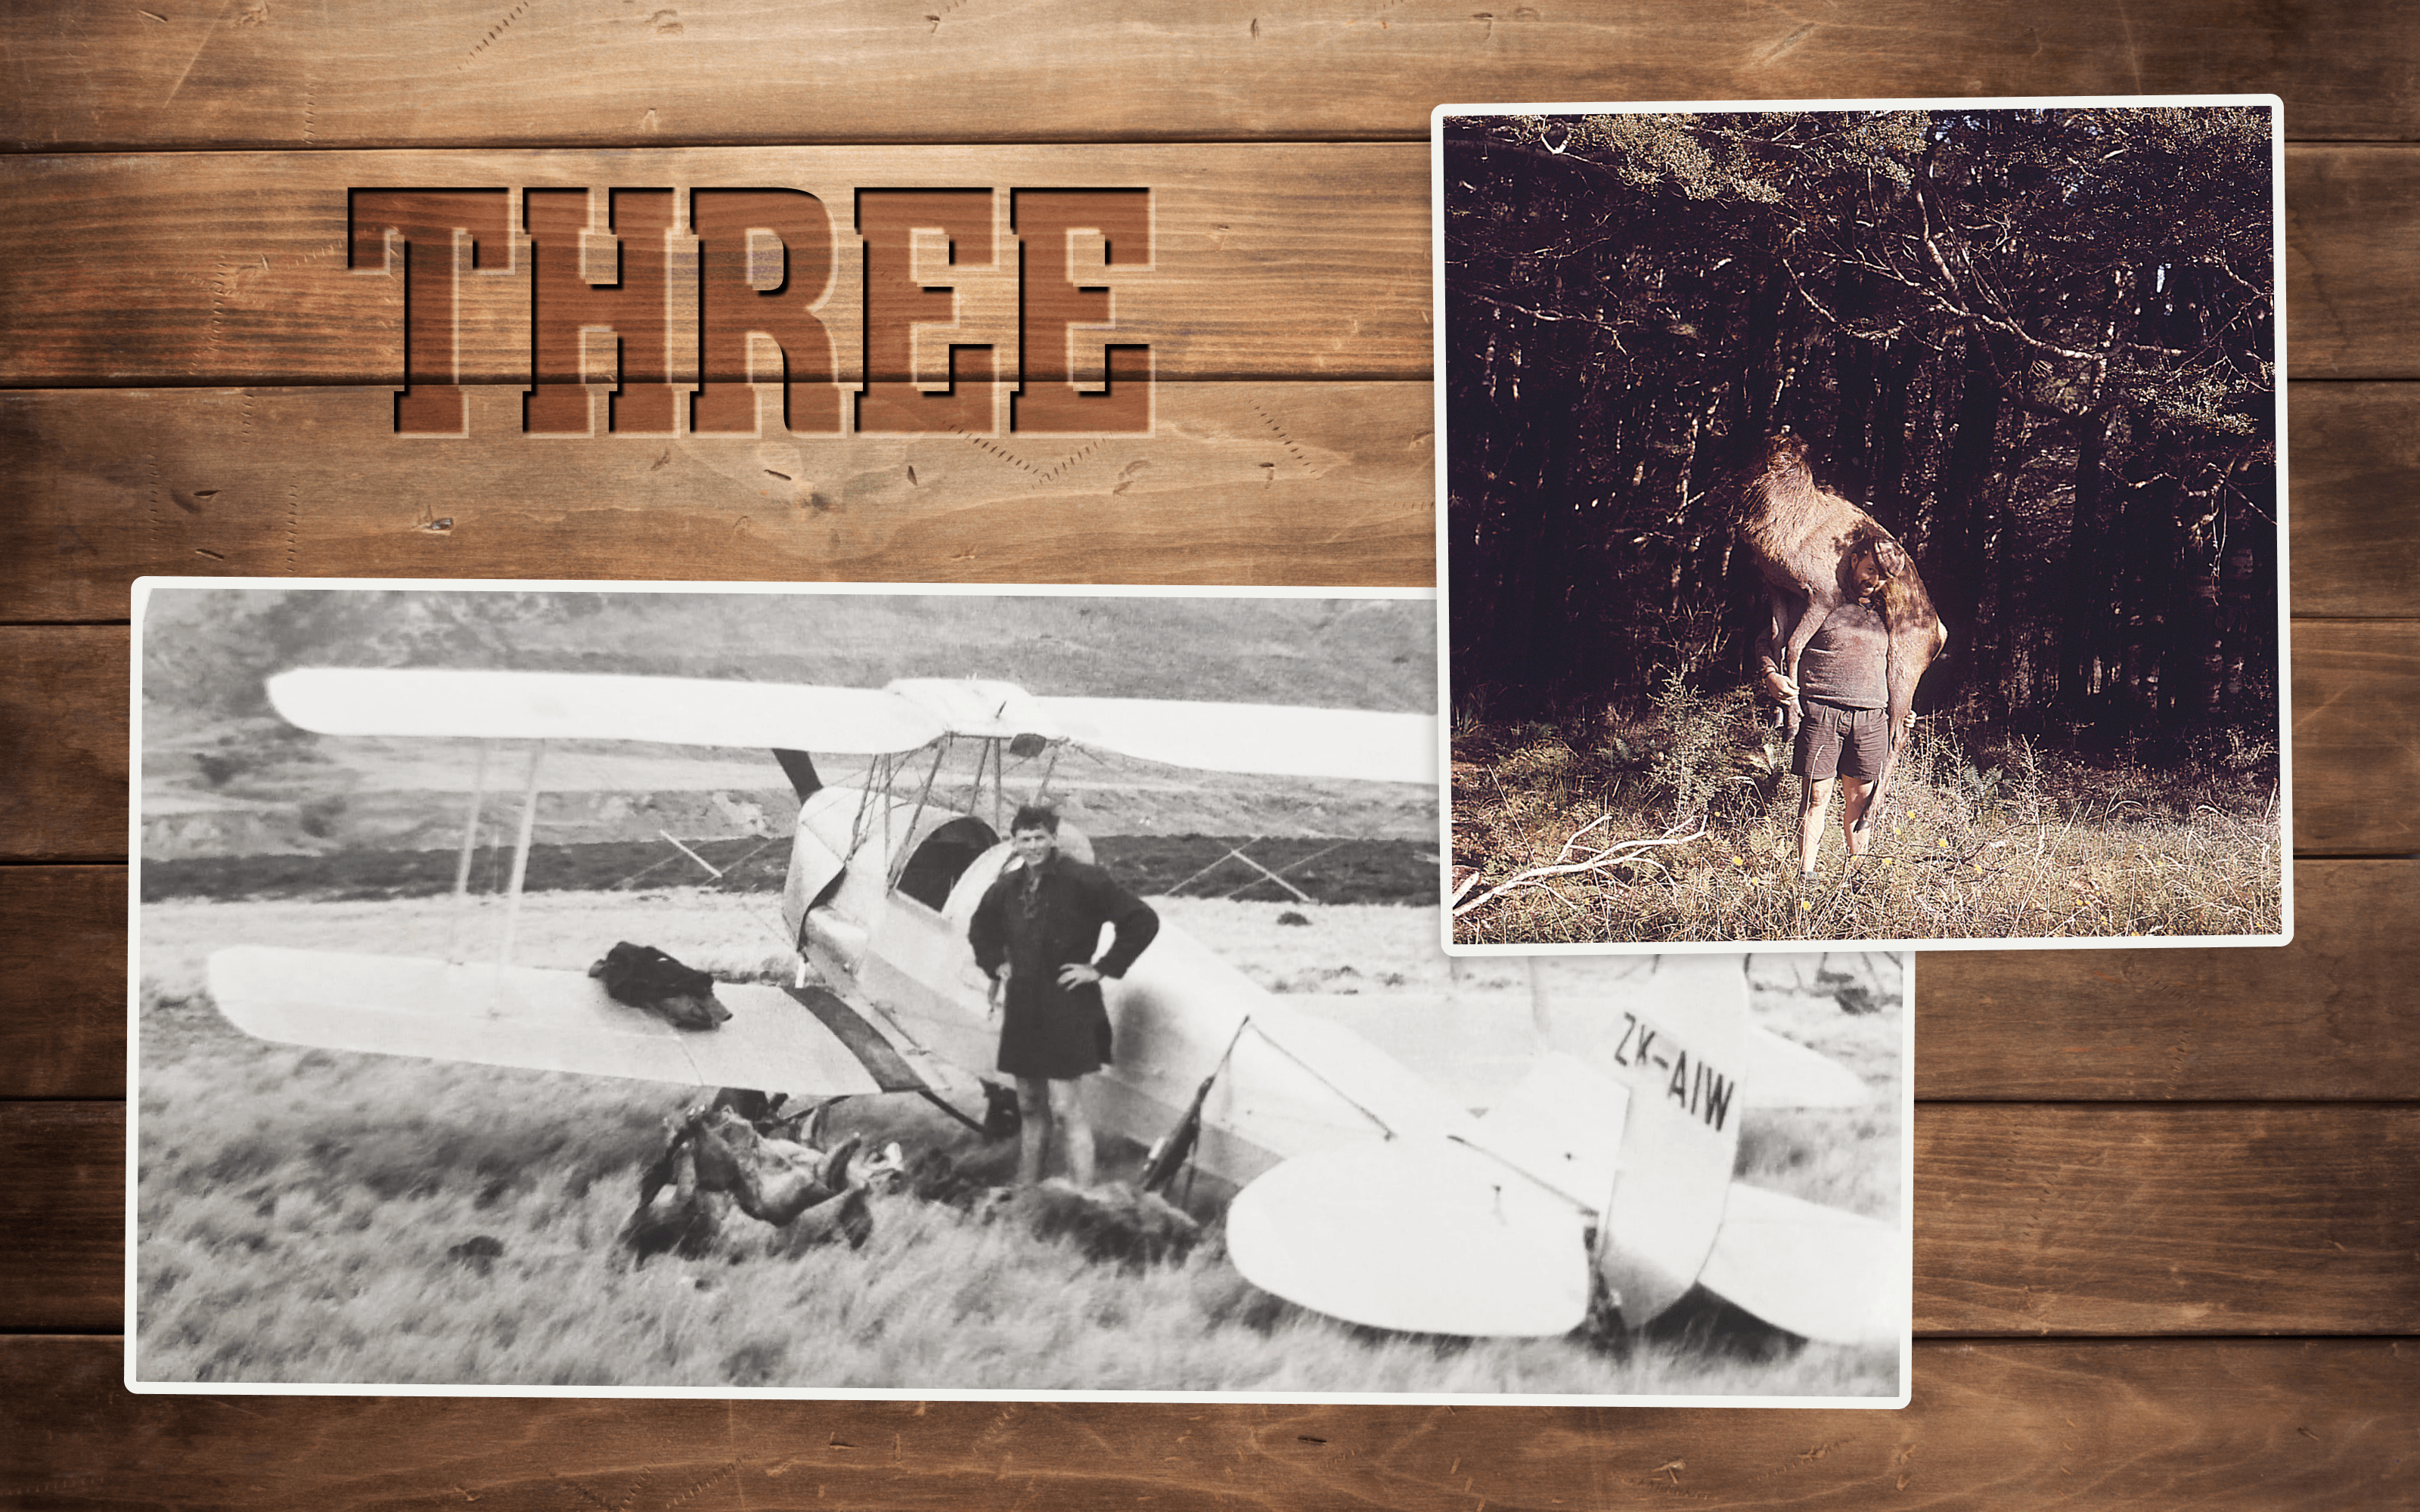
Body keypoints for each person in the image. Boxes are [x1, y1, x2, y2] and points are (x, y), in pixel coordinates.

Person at [967, 804, 1159, 1187]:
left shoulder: (1084, 880)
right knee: (1029, 1106)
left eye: (1041, 837)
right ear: (1014, 842)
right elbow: (980, 929)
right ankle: (1028, 1193)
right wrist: (995, 964)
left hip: (1068, 1005)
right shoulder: (1007, 888)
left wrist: (1100, 968)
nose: (1034, 846)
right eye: (1025, 839)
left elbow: (1142, 920)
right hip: (1024, 1008)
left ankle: (1083, 1197)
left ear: (1053, 838)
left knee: (1066, 1108)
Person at [1758, 562, 1894, 878]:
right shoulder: (1819, 602)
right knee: (1816, 797)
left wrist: (1904, 709)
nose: (1875, 580)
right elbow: (1768, 640)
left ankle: (1857, 879)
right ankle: (1805, 877)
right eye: (1870, 569)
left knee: (1861, 800)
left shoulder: (1888, 613)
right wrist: (1770, 675)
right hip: (1821, 712)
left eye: (1885, 575)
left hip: (1871, 717)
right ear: (1854, 561)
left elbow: (1904, 663)